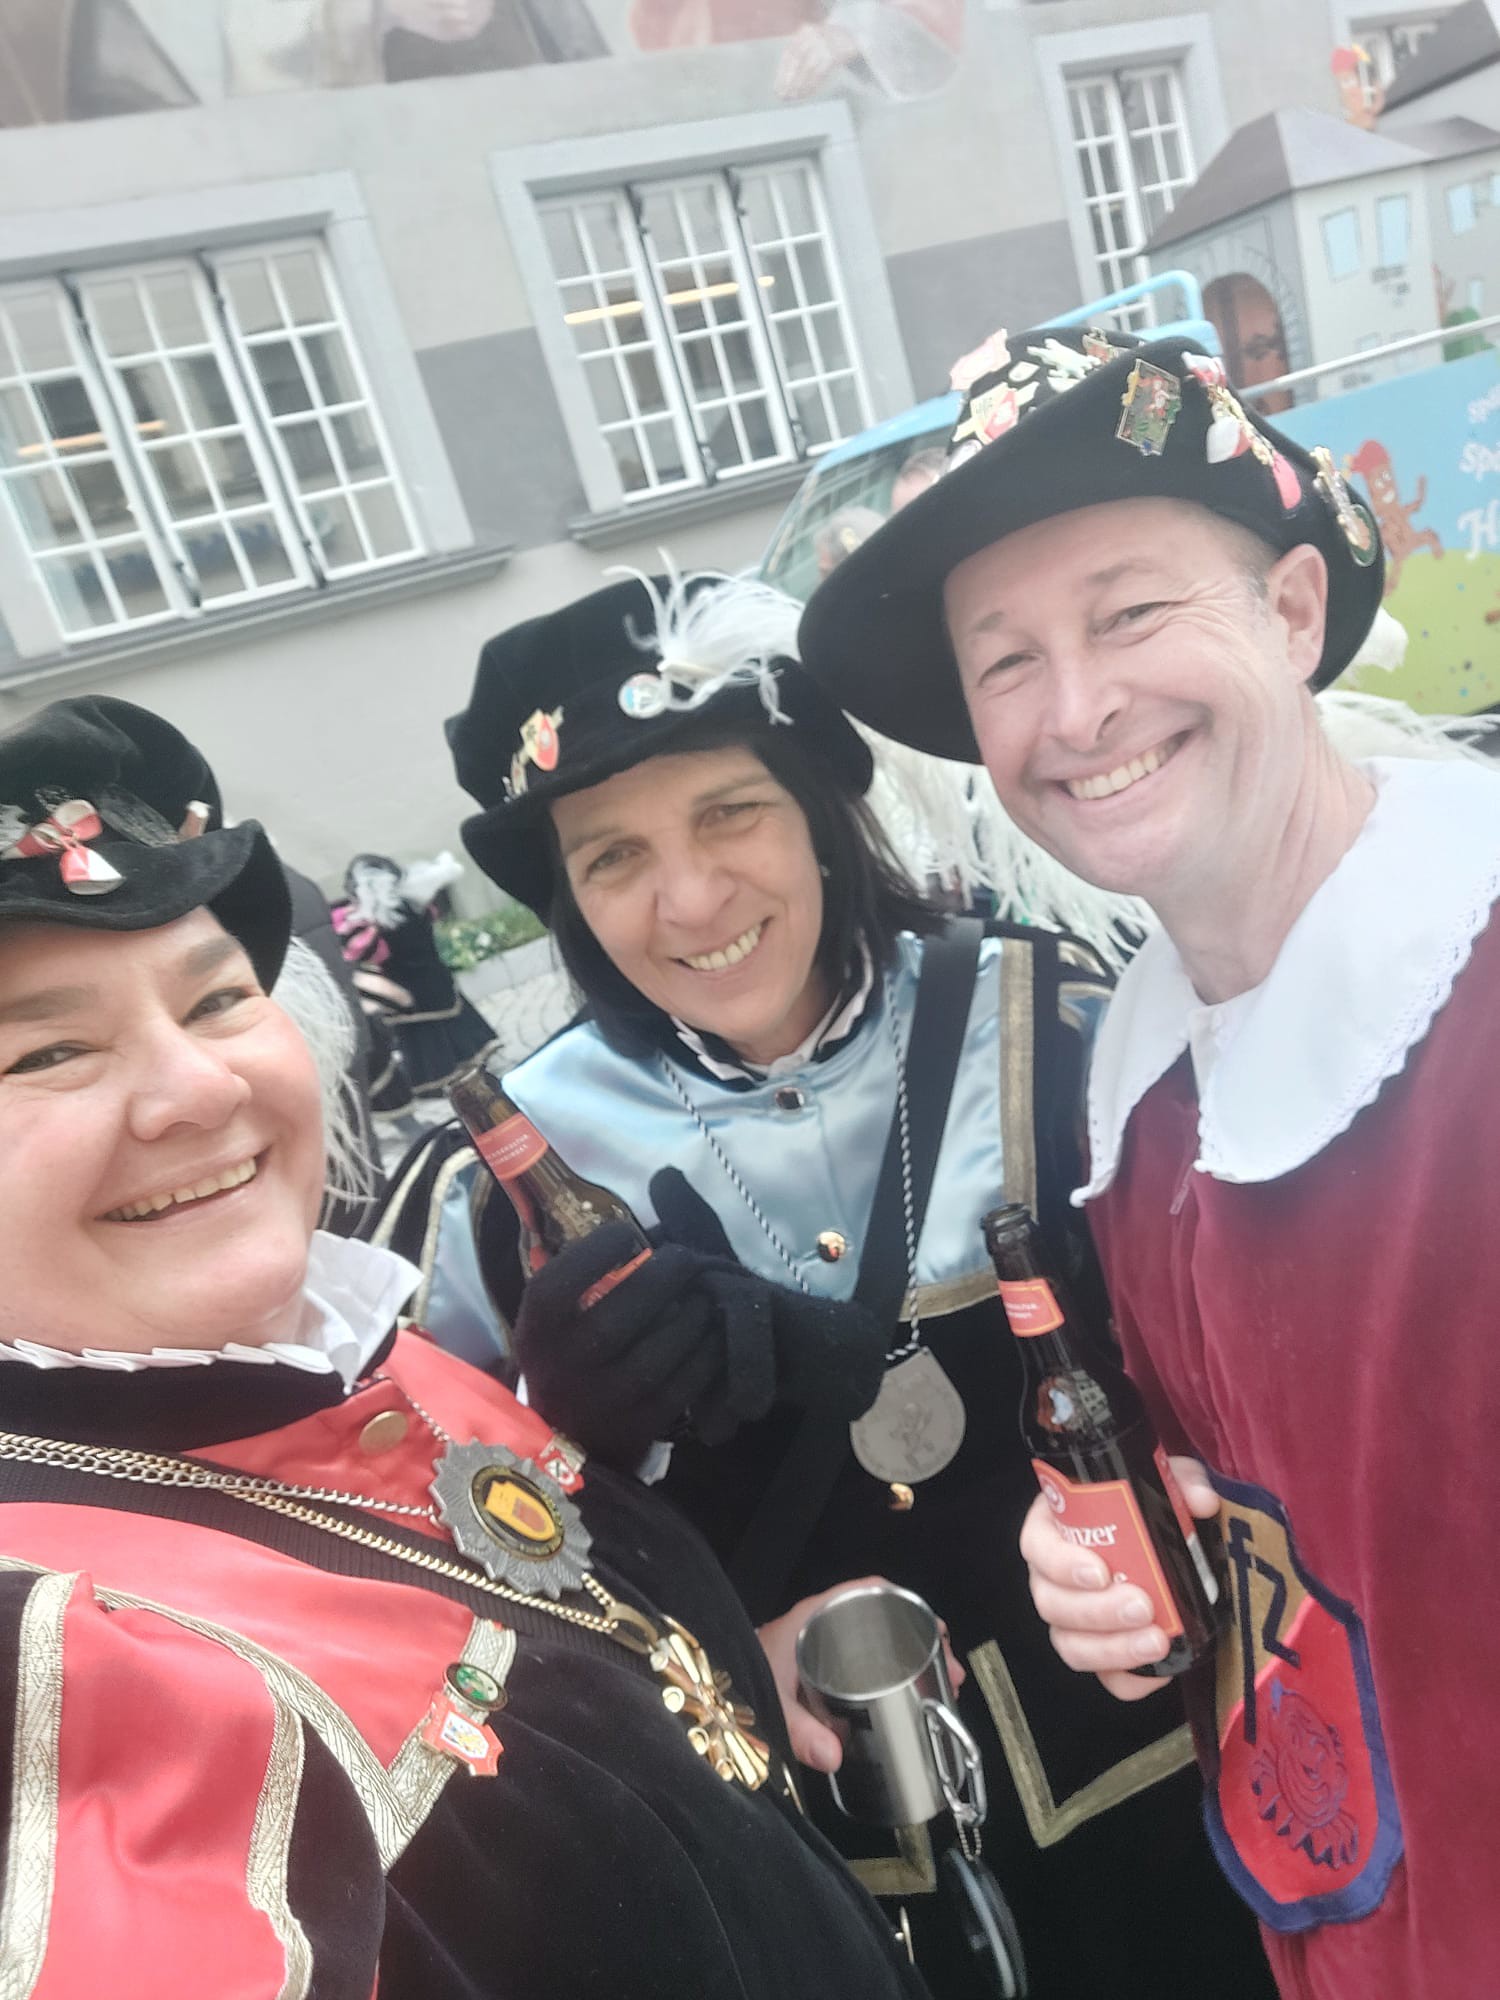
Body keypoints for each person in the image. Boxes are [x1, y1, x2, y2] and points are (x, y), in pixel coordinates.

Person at [382, 566, 1278, 1998]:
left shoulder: (1063, 1020)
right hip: (815, 1896)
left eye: (730, 812)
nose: (689, 897)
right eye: (611, 856)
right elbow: (448, 1604)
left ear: (818, 806)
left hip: (1167, 1809)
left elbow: (1254, 1375)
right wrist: (608, 1486)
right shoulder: (502, 1184)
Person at [0, 691, 941, 1999]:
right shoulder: (62, 1660)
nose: (200, 1089)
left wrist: (703, 1677)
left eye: (216, 1000)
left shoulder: (350, 1353)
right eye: (49, 1050)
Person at [797, 323, 1500, 1998]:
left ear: (1294, 612)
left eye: (1129, 614)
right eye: (1007, 660)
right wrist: (1127, 1574)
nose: (1078, 709)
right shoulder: (1139, 1078)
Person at [332, 850, 497, 1098]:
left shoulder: (374, 924)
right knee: (453, 1028)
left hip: (408, 990)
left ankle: (445, 1082)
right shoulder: (415, 905)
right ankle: (472, 1073)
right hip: (436, 979)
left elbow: (364, 954)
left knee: (426, 1038)